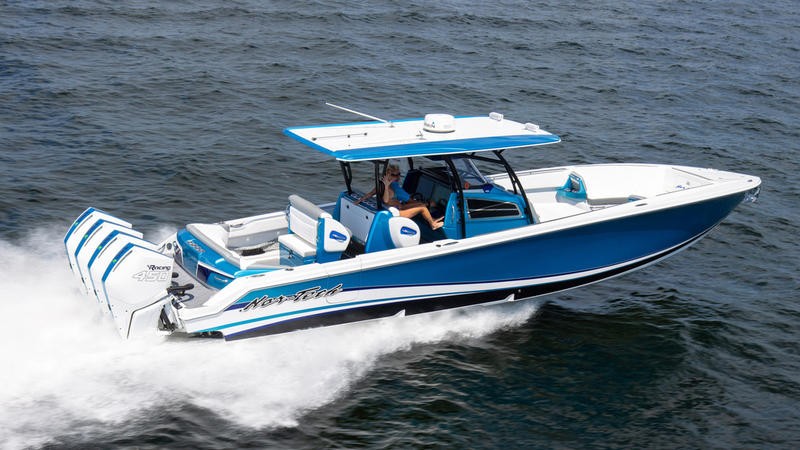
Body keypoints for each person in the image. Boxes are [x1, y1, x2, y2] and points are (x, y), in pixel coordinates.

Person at [355, 164, 444, 230]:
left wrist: (358, 201)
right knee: (422, 208)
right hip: (397, 213)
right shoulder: (386, 187)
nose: (397, 177)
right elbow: (386, 200)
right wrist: (386, 186)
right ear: (388, 175)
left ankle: (431, 219)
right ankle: (433, 225)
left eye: (398, 174)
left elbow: (370, 194)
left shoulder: (383, 184)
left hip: (400, 207)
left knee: (421, 204)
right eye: (394, 175)